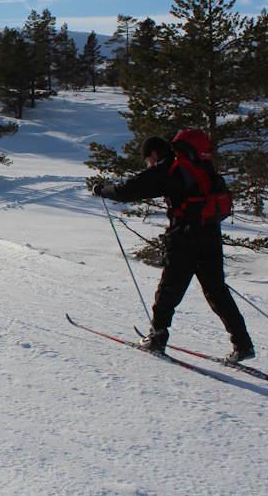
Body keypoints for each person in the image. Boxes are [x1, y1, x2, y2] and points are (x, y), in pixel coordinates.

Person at [92, 131, 255, 363]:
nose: (148, 163)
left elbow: (127, 190)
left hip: (185, 237)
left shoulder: (169, 169)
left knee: (168, 291)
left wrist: (103, 190)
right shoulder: (201, 168)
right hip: (210, 234)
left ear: (155, 153)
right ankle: (243, 344)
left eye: (148, 159)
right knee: (217, 292)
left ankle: (157, 337)